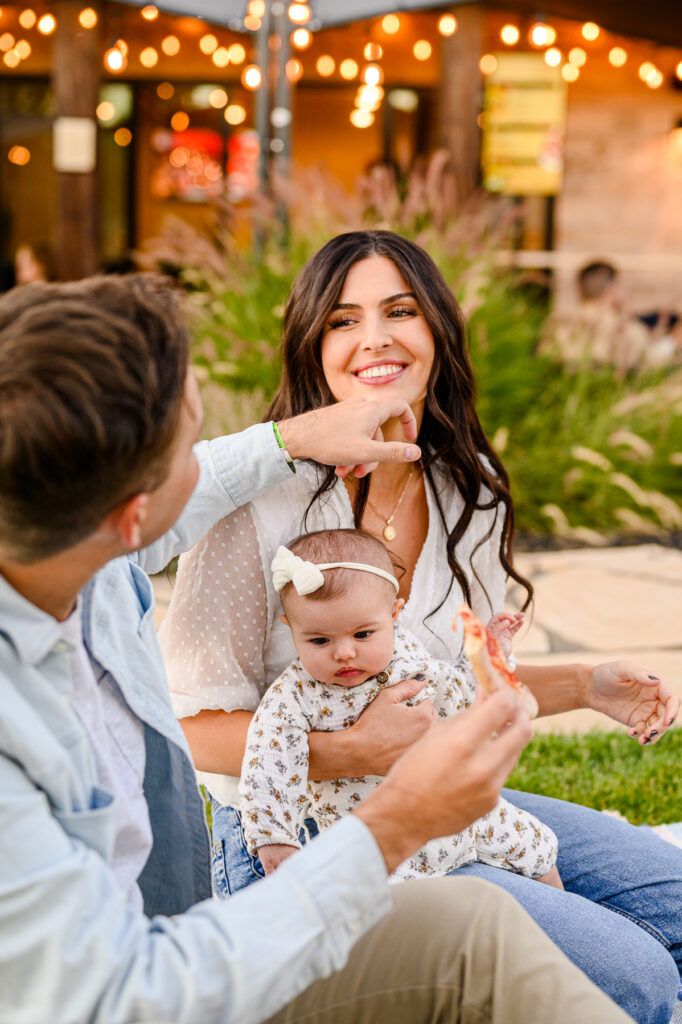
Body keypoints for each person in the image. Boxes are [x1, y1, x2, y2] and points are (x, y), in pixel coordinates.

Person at [0, 273, 632, 1024]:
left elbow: (188, 497)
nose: (210, 466)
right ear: (132, 514)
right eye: (192, 448)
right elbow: (134, 996)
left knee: (510, 928)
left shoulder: (72, 546)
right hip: (175, 976)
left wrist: (289, 437)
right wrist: (393, 819)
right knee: (630, 978)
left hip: (187, 920)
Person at [161, 230, 682, 1024]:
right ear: (313, 348)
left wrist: (586, 684)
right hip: (297, 833)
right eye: (342, 320)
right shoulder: (259, 505)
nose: (375, 338)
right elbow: (190, 728)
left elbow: (452, 692)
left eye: (399, 310)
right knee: (631, 975)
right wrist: (350, 751)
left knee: (673, 901)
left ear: (436, 329)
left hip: (443, 797)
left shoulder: (465, 491)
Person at [239, 528, 560, 887]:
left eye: (363, 635)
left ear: (394, 614)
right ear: (291, 629)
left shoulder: (407, 655)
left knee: (534, 842)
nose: (344, 652)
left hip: (458, 806)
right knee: (398, 907)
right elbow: (268, 761)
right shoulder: (296, 694)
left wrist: (492, 657)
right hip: (384, 838)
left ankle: (560, 907)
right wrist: (275, 837)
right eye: (319, 640)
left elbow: (456, 689)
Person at [540, 260, 651, 374]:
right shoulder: (631, 330)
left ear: (580, 289)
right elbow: (648, 372)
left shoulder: (555, 325)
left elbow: (542, 364)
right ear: (612, 291)